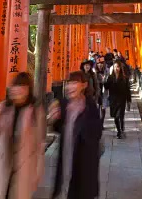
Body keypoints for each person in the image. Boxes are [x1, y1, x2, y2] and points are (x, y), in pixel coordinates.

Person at [0, 72, 45, 199]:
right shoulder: (1, 109)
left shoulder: (36, 112)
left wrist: (37, 173)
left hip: (23, 172)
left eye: (23, 87)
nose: (18, 90)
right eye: (16, 86)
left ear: (29, 90)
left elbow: (39, 145)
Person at [48, 71, 103, 199]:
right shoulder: (64, 104)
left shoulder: (90, 107)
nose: (70, 86)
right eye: (69, 83)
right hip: (66, 158)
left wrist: (80, 118)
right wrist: (53, 119)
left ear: (83, 85)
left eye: (74, 83)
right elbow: (58, 128)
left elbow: (95, 135)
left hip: (84, 166)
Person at [106, 60, 131, 139]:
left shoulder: (124, 78)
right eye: (115, 67)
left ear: (120, 68)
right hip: (113, 100)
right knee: (115, 117)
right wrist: (105, 80)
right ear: (113, 67)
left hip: (121, 99)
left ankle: (120, 131)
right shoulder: (110, 77)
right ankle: (119, 129)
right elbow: (106, 87)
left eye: (118, 67)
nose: (117, 68)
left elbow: (127, 90)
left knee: (120, 115)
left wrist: (128, 101)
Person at [94, 57, 109, 123]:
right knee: (97, 107)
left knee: (103, 107)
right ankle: (98, 123)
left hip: (104, 90)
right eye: (98, 63)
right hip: (96, 91)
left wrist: (105, 79)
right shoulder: (94, 71)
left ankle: (101, 122)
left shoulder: (107, 71)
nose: (100, 65)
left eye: (101, 63)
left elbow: (109, 81)